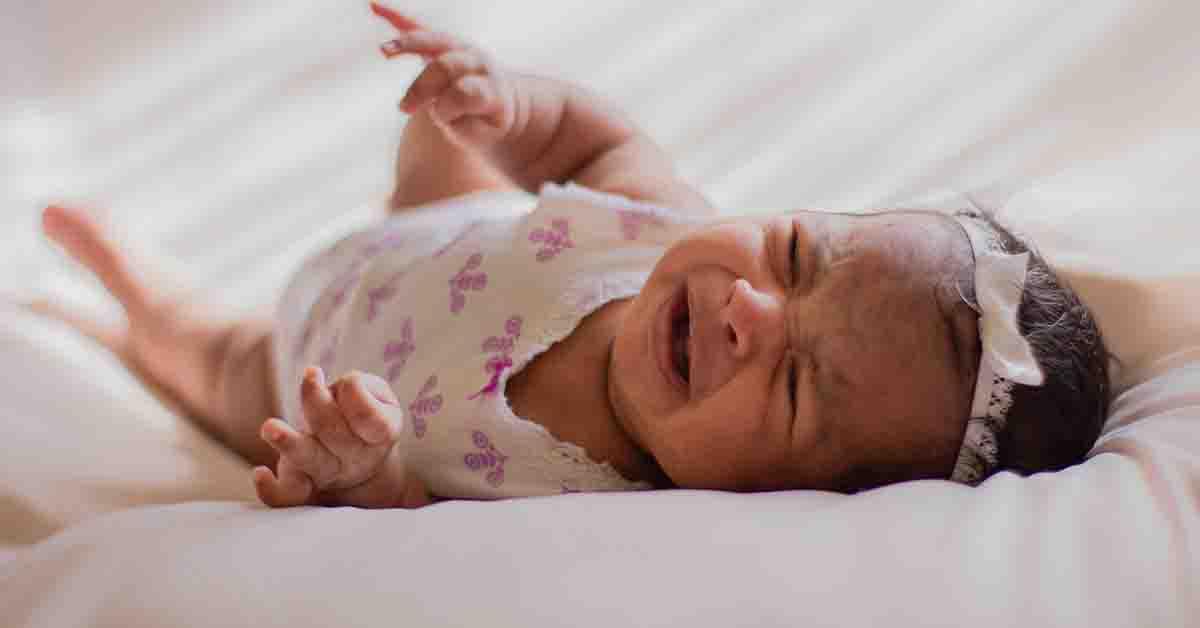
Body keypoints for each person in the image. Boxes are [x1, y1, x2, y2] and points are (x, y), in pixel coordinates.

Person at [33, 2, 1110, 509]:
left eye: (793, 384)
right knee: (446, 134)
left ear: (789, 496)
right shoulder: (655, 225)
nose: (749, 306)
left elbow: (410, 522)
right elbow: (591, 146)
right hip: (439, 223)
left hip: (304, 369)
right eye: (793, 253)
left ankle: (128, 280)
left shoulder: (590, 503)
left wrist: (361, 469)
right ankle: (452, 114)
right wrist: (506, 109)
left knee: (204, 353)